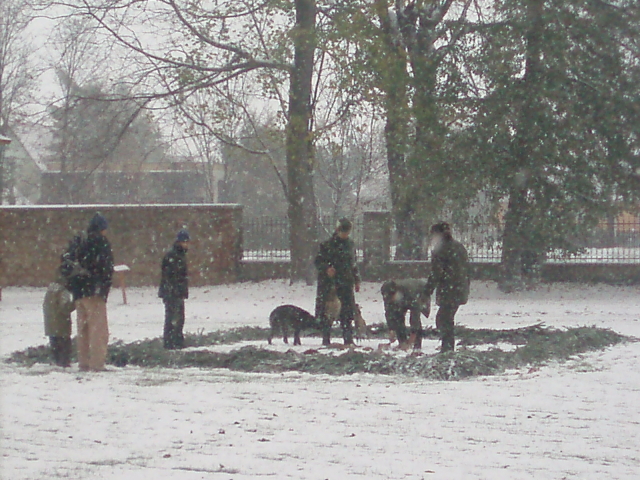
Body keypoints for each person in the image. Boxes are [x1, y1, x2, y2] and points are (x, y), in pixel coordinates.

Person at [67, 212, 114, 371]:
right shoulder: (101, 243)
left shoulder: (79, 241)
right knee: (98, 330)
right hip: (93, 291)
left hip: (78, 292)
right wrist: (102, 289)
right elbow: (105, 268)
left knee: (83, 330)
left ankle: (84, 362)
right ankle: (97, 363)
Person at [424, 222, 470, 352]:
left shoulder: (440, 250)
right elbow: (466, 269)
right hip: (460, 288)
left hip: (449, 289)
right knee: (446, 318)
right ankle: (447, 347)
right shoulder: (459, 247)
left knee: (443, 319)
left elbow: (436, 273)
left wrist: (427, 290)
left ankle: (447, 349)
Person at [314, 218, 361, 346]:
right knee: (328, 312)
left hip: (346, 282)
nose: (345, 234)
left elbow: (353, 264)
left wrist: (356, 280)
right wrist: (327, 268)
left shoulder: (350, 245)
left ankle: (348, 338)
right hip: (330, 284)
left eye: (347, 232)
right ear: (338, 230)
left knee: (347, 311)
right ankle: (326, 339)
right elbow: (318, 261)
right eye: (343, 231)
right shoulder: (326, 245)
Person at [159, 229, 190, 349]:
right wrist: (175, 290)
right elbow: (172, 276)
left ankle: (174, 341)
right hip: (173, 292)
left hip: (174, 291)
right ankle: (172, 342)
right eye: (185, 242)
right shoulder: (174, 256)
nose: (187, 245)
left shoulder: (177, 255)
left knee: (176, 317)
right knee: (173, 318)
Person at [380, 278, 430, 350]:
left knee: (415, 321)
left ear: (397, 292)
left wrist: (413, 333)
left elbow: (415, 315)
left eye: (392, 297)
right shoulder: (387, 295)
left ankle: (417, 345)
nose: (391, 300)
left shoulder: (411, 292)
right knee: (398, 317)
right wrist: (391, 329)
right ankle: (402, 342)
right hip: (405, 299)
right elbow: (389, 312)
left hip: (420, 293)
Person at [43, 270, 75, 367]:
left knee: (54, 345)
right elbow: (65, 307)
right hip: (61, 325)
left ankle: (56, 362)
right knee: (64, 346)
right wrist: (75, 303)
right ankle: (64, 363)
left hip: (50, 324)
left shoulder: (50, 290)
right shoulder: (63, 291)